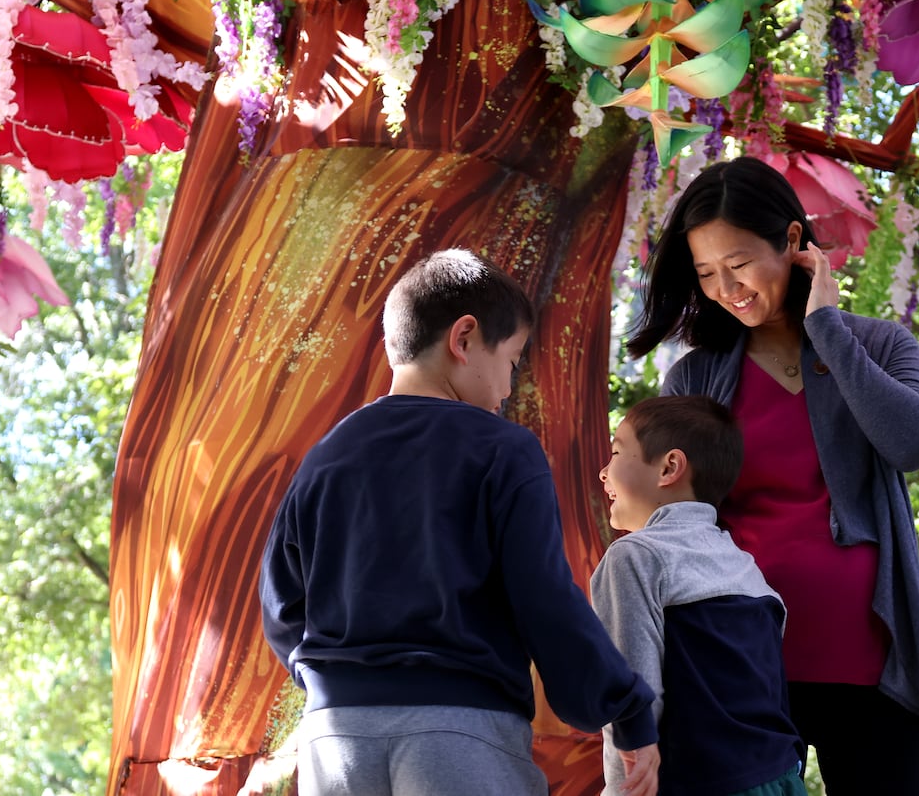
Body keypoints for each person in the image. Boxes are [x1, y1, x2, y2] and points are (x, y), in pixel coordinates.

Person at [260, 248, 661, 796]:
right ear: (465, 338)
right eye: (513, 361)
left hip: (332, 742)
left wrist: (337, 684)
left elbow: (282, 606)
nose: (507, 387)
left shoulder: (326, 455)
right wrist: (624, 706)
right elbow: (543, 599)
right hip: (458, 732)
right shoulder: (505, 450)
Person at [625, 158, 919, 796]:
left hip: (874, 667)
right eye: (706, 274)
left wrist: (825, 327)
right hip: (744, 672)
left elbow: (914, 443)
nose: (726, 288)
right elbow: (664, 521)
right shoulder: (694, 380)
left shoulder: (881, 345)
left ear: (794, 242)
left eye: (739, 264)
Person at [592, 394, 806, 796]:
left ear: (669, 467)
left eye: (617, 452)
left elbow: (631, 698)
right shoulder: (747, 570)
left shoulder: (635, 556)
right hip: (781, 779)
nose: (603, 472)